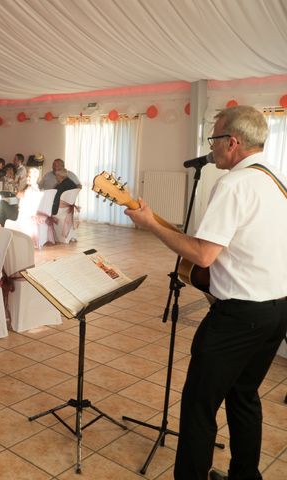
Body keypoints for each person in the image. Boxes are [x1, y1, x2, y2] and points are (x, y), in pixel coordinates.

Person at [125, 106, 287, 480]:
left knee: (199, 405)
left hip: (240, 316)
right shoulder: (277, 176)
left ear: (232, 142)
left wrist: (150, 224)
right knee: (244, 396)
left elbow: (202, 254)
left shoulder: (233, 184)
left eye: (214, 139)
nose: (210, 146)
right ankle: (246, 476)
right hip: (276, 311)